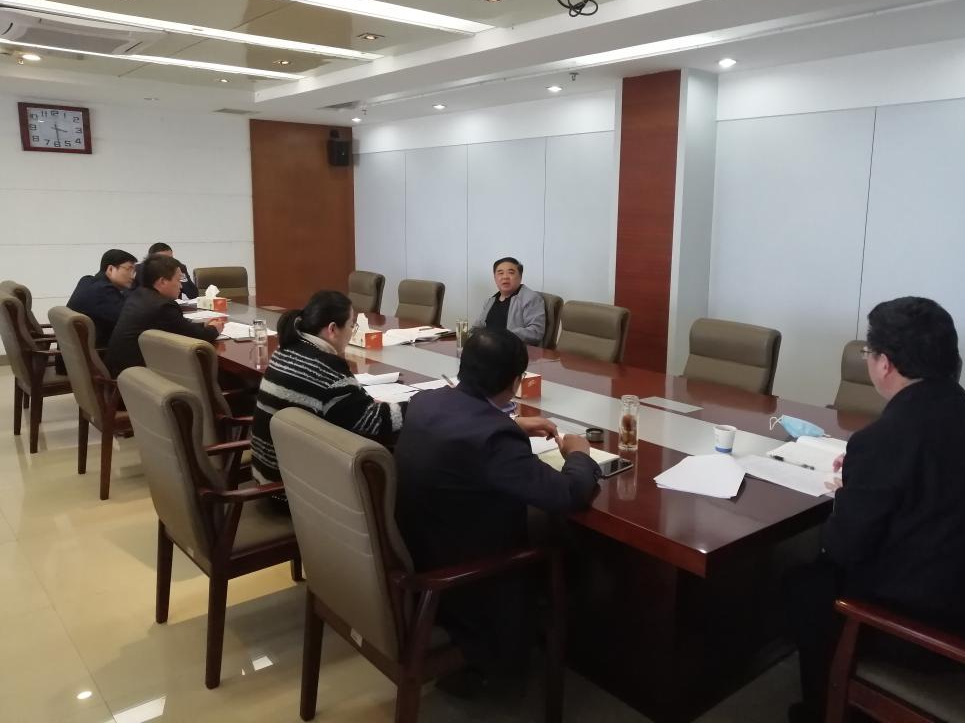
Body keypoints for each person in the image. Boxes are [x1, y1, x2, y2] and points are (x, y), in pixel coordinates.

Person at [787, 296, 965, 723]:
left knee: (808, 588)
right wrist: (867, 477)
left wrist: (850, 492)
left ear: (885, 364)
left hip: (921, 635)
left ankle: (825, 710)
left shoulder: (883, 439)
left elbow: (841, 547)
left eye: (869, 352)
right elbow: (944, 489)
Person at [394, 327, 601, 681]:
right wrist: (580, 454)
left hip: (422, 549)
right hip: (466, 578)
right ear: (516, 381)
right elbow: (568, 494)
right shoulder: (494, 438)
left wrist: (513, 424)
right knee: (568, 538)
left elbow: (465, 431)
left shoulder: (425, 402)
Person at [250, 290, 407, 495]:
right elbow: (374, 423)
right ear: (333, 329)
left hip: (268, 479)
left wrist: (360, 404)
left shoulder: (286, 350)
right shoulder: (327, 367)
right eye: (351, 325)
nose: (352, 331)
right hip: (293, 494)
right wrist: (420, 406)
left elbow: (343, 407)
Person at [104, 255, 225, 378]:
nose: (181, 286)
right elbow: (196, 336)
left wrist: (204, 324)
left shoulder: (139, 295)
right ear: (162, 281)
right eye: (178, 280)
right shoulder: (162, 306)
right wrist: (214, 329)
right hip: (137, 376)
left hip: (122, 371)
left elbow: (180, 327)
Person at [66, 249, 138, 348]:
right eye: (129, 269)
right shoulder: (104, 291)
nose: (133, 276)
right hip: (98, 351)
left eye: (134, 271)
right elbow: (129, 321)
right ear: (110, 269)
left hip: (74, 351)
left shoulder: (86, 280)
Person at [472, 257, 546, 346]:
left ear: (520, 277)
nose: (505, 277)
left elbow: (536, 332)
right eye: (500, 273)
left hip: (515, 350)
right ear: (495, 278)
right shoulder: (490, 301)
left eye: (511, 273)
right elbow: (478, 327)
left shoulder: (531, 298)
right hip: (487, 348)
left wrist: (502, 335)